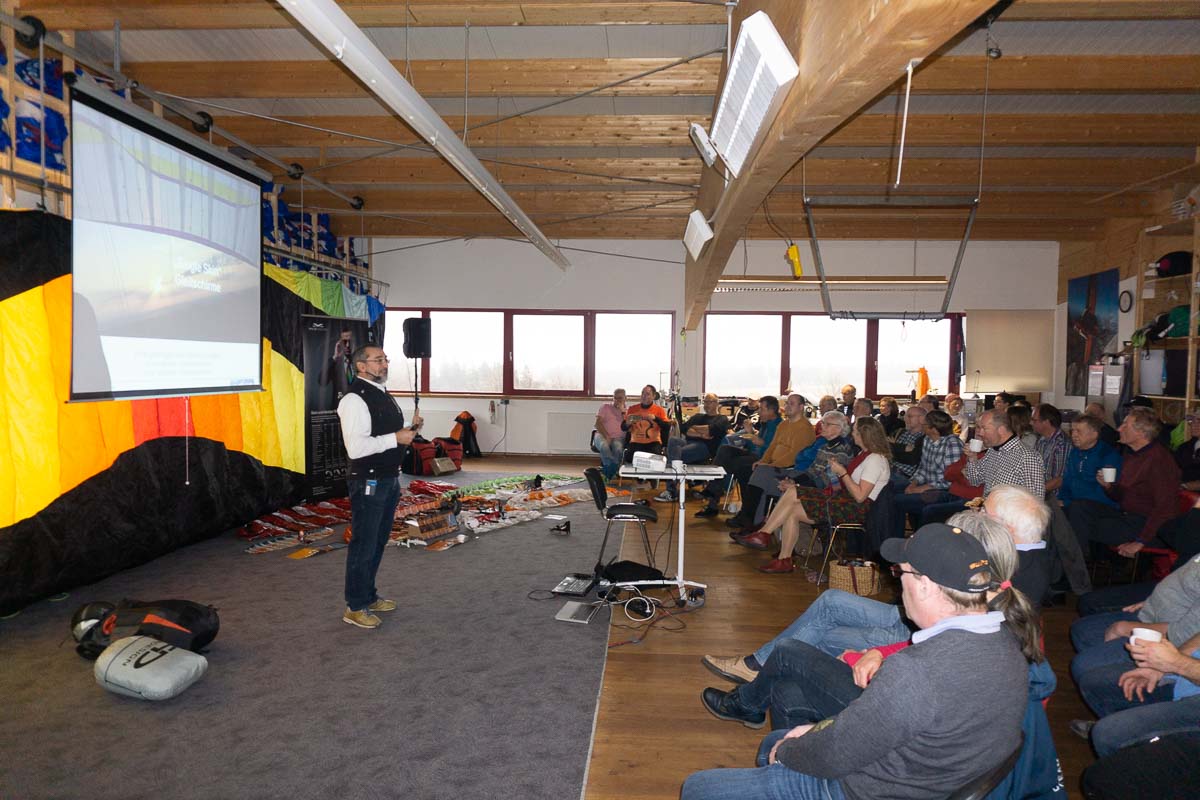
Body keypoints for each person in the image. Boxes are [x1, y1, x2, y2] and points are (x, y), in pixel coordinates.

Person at [681, 523, 1028, 800]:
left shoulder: (915, 671)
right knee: (786, 693)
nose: (898, 583)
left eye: (900, 573)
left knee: (698, 787)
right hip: (925, 776)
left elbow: (836, 754)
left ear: (925, 586)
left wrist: (790, 751)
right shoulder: (1008, 647)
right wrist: (813, 736)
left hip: (860, 789)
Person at [701, 513, 1038, 731]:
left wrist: (866, 656)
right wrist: (879, 652)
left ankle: (750, 691)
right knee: (794, 672)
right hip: (898, 670)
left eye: (903, 573)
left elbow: (916, 673)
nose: (983, 509)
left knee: (797, 648)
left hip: (888, 707)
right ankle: (756, 696)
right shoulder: (989, 613)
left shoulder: (967, 635)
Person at [702, 480, 1054, 683]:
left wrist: (882, 652)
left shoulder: (1017, 572)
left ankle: (758, 675)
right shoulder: (1016, 555)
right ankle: (759, 671)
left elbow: (955, 638)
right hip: (912, 616)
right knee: (829, 603)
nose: (974, 511)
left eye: (983, 510)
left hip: (915, 630)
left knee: (820, 633)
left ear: (1006, 527)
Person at [735, 417, 891, 574]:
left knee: (794, 491)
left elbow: (860, 496)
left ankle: (764, 534)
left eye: (855, 430)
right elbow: (842, 485)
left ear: (864, 434)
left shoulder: (875, 460)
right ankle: (783, 559)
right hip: (844, 500)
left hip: (854, 508)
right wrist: (835, 474)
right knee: (792, 509)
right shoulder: (864, 455)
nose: (853, 433)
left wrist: (842, 472)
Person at [337, 344, 423, 629]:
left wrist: (410, 429)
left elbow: (384, 432)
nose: (384, 364)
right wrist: (396, 438)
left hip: (388, 477)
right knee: (364, 543)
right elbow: (356, 448)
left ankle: (369, 596)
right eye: (377, 360)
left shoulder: (381, 392)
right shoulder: (354, 399)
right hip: (368, 480)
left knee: (377, 540)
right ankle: (355, 606)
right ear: (361, 366)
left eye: (385, 359)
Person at [1067, 407, 1179, 559]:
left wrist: (1140, 542)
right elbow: (1122, 495)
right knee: (1078, 508)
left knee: (1075, 525)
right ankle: (1076, 564)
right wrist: (1108, 486)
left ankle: (1075, 567)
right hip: (1126, 515)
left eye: (1125, 425)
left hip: (1146, 524)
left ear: (1141, 432)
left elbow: (1165, 508)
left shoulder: (1159, 460)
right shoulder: (1131, 453)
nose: (1119, 429)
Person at [725, 394, 816, 530]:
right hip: (774, 466)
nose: (787, 406)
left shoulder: (805, 428)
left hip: (790, 469)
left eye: (791, 404)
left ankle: (749, 521)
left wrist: (770, 465)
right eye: (787, 403)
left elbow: (794, 456)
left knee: (759, 473)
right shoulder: (784, 424)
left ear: (801, 407)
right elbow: (772, 447)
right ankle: (749, 519)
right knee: (747, 470)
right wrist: (763, 461)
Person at [696, 396, 781, 518]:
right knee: (725, 450)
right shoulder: (765, 423)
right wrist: (750, 434)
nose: (759, 412)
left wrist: (752, 434)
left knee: (733, 464)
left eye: (762, 409)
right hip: (754, 454)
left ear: (771, 410)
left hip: (763, 459)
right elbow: (754, 445)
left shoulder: (778, 426)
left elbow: (771, 448)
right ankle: (714, 491)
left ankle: (713, 498)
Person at [890, 409, 964, 538]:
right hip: (926, 485)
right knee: (890, 490)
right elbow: (923, 468)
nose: (922, 426)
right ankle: (902, 536)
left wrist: (921, 489)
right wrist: (913, 483)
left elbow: (950, 479)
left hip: (943, 490)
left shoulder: (952, 444)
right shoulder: (928, 440)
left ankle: (904, 538)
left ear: (933, 429)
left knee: (897, 501)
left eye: (925, 425)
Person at [655, 393, 729, 502]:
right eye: (705, 402)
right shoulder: (698, 416)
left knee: (676, 454)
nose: (707, 404)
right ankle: (672, 487)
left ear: (717, 403)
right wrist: (701, 434)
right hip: (688, 442)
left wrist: (695, 428)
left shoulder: (722, 419)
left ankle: (671, 491)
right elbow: (685, 429)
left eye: (710, 402)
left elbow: (710, 430)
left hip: (705, 447)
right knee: (673, 440)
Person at [964, 408, 1046, 498]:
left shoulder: (1027, 458)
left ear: (1001, 430)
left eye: (984, 428)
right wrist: (972, 458)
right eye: (979, 428)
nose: (980, 433)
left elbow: (1036, 499)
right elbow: (975, 481)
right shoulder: (993, 451)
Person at [1032, 403, 1070, 498]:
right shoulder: (1041, 439)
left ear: (1046, 422)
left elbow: (1059, 480)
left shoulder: (1061, 443)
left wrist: (1033, 493)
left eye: (1034, 420)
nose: (1031, 423)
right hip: (1038, 490)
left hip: (1052, 496)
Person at [592, 388, 627, 481]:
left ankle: (608, 472)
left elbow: (629, 426)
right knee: (604, 446)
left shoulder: (628, 411)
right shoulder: (605, 407)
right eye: (615, 398)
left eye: (620, 398)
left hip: (618, 438)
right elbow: (597, 424)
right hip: (602, 434)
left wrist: (623, 412)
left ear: (625, 398)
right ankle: (612, 471)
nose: (617, 400)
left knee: (618, 448)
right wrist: (606, 436)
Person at [888, 405, 925, 486]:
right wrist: (903, 448)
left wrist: (893, 447)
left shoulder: (924, 438)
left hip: (903, 476)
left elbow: (911, 459)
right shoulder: (900, 432)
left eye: (910, 416)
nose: (905, 419)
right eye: (905, 416)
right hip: (889, 469)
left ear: (922, 419)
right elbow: (884, 446)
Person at [1174, 414, 1200, 488]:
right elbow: (1173, 469)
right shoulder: (1184, 447)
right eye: (1192, 421)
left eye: (1199, 421)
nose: (1194, 425)